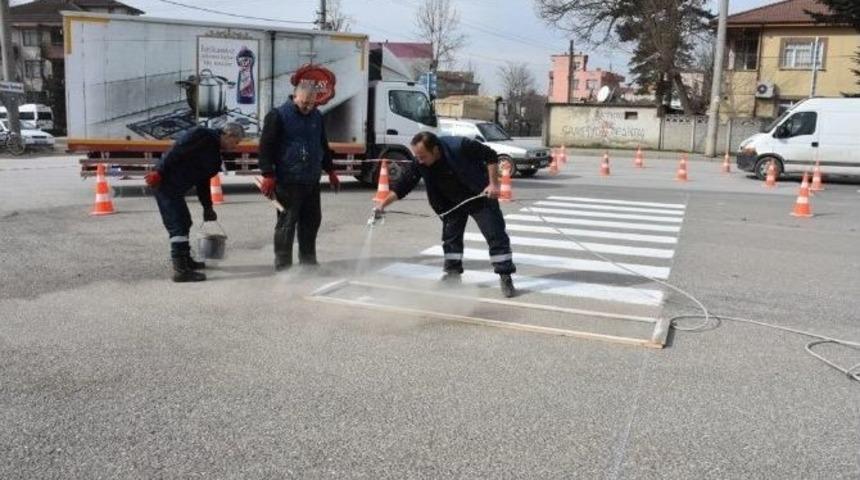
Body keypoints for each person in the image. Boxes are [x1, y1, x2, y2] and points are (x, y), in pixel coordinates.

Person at [375, 132, 517, 298]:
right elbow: (403, 186)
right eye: (417, 156)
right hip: (450, 203)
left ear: (435, 150)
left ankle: (505, 276)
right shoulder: (420, 162)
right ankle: (452, 275)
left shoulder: (460, 146)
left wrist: (493, 184)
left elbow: (491, 156)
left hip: (479, 196)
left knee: (495, 235)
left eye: (422, 156)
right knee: (451, 239)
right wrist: (382, 205)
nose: (419, 160)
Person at [144, 123, 244, 282]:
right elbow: (176, 150)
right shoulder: (202, 134)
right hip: (164, 183)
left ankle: (186, 261)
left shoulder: (215, 158)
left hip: (175, 188)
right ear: (228, 134)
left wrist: (208, 207)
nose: (235, 147)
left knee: (185, 221)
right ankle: (181, 271)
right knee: (178, 224)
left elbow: (203, 182)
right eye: (236, 142)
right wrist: (158, 171)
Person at [257, 82, 341, 271]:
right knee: (287, 223)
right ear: (295, 97)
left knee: (312, 221)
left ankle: (308, 260)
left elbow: (323, 144)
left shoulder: (316, 117)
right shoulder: (278, 115)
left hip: (311, 179)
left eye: (312, 104)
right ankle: (283, 264)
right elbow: (265, 147)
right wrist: (267, 174)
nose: (308, 107)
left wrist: (330, 170)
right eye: (304, 103)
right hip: (288, 180)